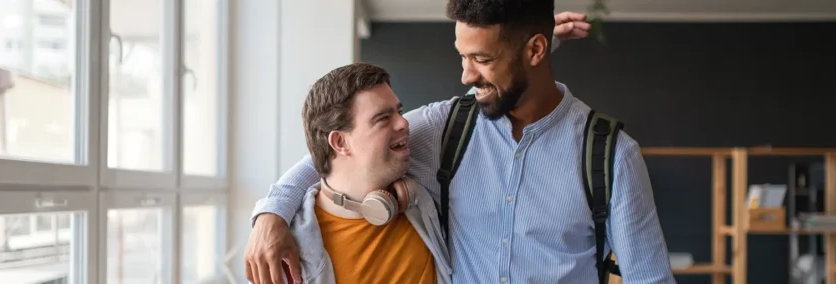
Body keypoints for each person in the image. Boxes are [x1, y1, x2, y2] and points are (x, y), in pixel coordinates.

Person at [246, 2, 677, 283]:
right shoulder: (445, 127)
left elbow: (649, 279)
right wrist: (271, 213)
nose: (466, 75)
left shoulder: (611, 156)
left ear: (537, 50)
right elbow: (338, 154)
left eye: (482, 59)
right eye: (462, 56)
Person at [252, 62, 451, 284]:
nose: (404, 122)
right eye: (383, 118)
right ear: (340, 142)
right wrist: (271, 214)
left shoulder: (419, 197)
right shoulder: (285, 254)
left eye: (399, 111)